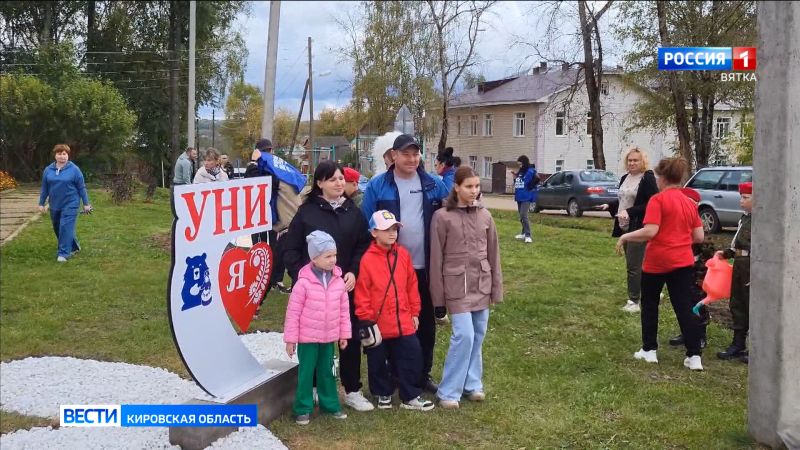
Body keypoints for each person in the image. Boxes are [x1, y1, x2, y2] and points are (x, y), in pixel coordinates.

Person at [282, 160, 374, 412]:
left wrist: (354, 271)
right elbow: (290, 249)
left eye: (342, 178)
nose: (339, 183)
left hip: (343, 289)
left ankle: (352, 389)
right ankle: (312, 387)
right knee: (312, 340)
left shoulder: (353, 212)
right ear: (320, 182)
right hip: (314, 291)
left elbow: (362, 245)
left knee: (349, 337)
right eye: (333, 179)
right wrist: (302, 277)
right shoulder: (307, 213)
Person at [361, 133, 450, 394]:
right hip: (390, 270)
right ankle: (394, 374)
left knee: (424, 323)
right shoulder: (379, 185)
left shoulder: (434, 184)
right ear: (393, 156)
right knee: (391, 322)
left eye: (415, 154)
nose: (411, 159)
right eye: (406, 154)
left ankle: (422, 374)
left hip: (425, 267)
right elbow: (366, 224)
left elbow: (451, 213)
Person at [616, 157, 705, 371]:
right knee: (684, 306)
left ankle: (649, 350)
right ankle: (694, 357)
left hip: (658, 261)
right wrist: (680, 241)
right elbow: (699, 236)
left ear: (662, 178)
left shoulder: (658, 200)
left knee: (650, 305)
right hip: (683, 261)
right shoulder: (688, 202)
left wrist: (625, 237)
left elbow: (650, 231)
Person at [429, 166, 503, 409]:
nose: (474, 191)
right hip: (456, 286)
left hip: (481, 284)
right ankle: (448, 390)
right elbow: (436, 259)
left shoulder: (485, 216)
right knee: (464, 336)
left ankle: (472, 384)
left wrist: (496, 289)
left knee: (478, 335)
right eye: (469, 186)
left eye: (477, 186)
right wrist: (437, 299)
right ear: (457, 187)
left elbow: (494, 255)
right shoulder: (442, 217)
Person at [354, 210, 435, 411]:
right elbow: (362, 292)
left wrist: (415, 313)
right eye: (386, 229)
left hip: (404, 320)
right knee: (377, 360)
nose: (392, 233)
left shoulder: (404, 255)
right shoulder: (367, 260)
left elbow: (411, 286)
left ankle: (411, 395)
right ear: (374, 232)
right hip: (378, 323)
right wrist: (366, 319)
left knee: (411, 356)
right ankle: (383, 393)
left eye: (394, 229)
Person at [284, 230, 351, 425]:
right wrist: (291, 339)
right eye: (327, 256)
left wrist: (344, 334)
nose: (333, 260)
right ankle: (302, 408)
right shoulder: (303, 284)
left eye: (334, 255)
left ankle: (330, 405)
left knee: (327, 372)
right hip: (307, 340)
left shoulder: (338, 282)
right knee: (306, 373)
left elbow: (344, 311)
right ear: (314, 258)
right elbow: (293, 313)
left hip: (329, 338)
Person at [600, 146, 659, 313]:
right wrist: (610, 205)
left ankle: (633, 301)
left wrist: (630, 212)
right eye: (630, 160)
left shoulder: (647, 178)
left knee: (633, 266)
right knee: (640, 264)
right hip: (624, 226)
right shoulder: (625, 177)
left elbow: (652, 203)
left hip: (638, 227)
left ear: (643, 162)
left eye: (636, 160)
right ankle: (652, 291)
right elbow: (623, 199)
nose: (632, 163)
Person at [247, 138, 305, 295]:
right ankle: (269, 280)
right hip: (268, 216)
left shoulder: (274, 174)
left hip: (277, 219)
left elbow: (255, 180)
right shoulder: (282, 171)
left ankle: (276, 281)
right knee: (266, 249)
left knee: (278, 251)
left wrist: (253, 163)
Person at [669, 187, 712, 350]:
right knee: (683, 303)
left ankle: (700, 335)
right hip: (680, 270)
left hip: (697, 272)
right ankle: (686, 332)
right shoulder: (676, 221)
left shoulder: (698, 224)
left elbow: (707, 252)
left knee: (698, 303)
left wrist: (701, 276)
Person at [714, 181, 752, 364]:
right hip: (739, 264)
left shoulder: (762, 220)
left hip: (751, 266)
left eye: (746, 198)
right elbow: (737, 242)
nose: (741, 201)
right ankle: (737, 344)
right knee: (736, 303)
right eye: (741, 197)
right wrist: (726, 253)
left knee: (751, 305)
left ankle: (755, 348)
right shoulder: (744, 218)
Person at [38, 144, 92, 262]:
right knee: (57, 227)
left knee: (65, 227)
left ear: (68, 155)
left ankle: (63, 254)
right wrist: (41, 203)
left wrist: (86, 204)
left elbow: (81, 187)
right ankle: (74, 246)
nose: (62, 156)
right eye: (59, 154)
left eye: (64, 154)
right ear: (55, 155)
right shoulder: (48, 170)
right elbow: (45, 188)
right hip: (55, 204)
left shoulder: (74, 169)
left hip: (71, 203)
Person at [513, 155, 537, 243]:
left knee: (524, 215)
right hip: (519, 196)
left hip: (526, 196)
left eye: (520, 164)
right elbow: (518, 183)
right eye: (518, 165)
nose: (519, 166)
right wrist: (515, 178)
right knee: (521, 216)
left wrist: (530, 188)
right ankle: (523, 233)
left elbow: (533, 180)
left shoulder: (530, 171)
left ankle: (528, 235)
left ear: (524, 163)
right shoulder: (520, 172)